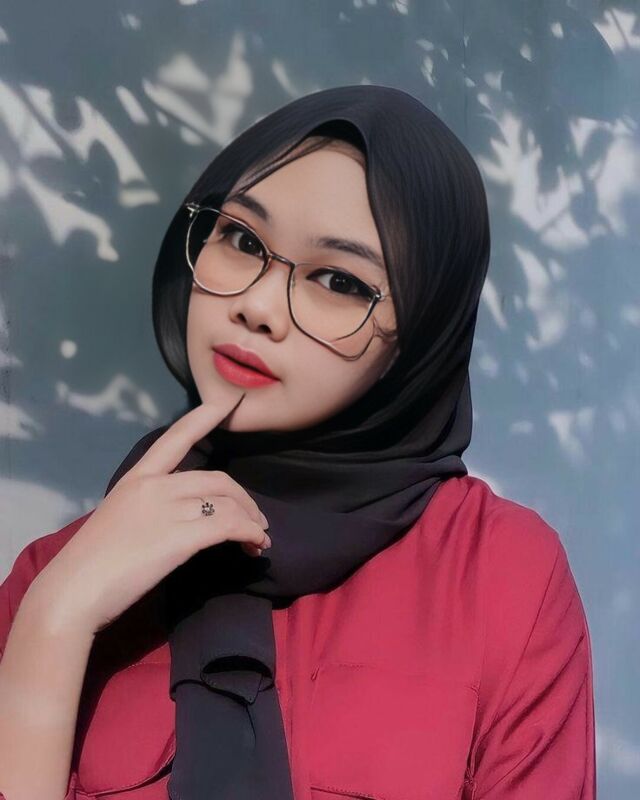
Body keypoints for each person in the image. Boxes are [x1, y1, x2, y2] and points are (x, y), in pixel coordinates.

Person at [0, 85, 596, 800]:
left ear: (421, 334)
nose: (257, 306)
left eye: (339, 281)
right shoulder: (58, 576)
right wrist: (53, 627)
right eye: (242, 240)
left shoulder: (500, 576)